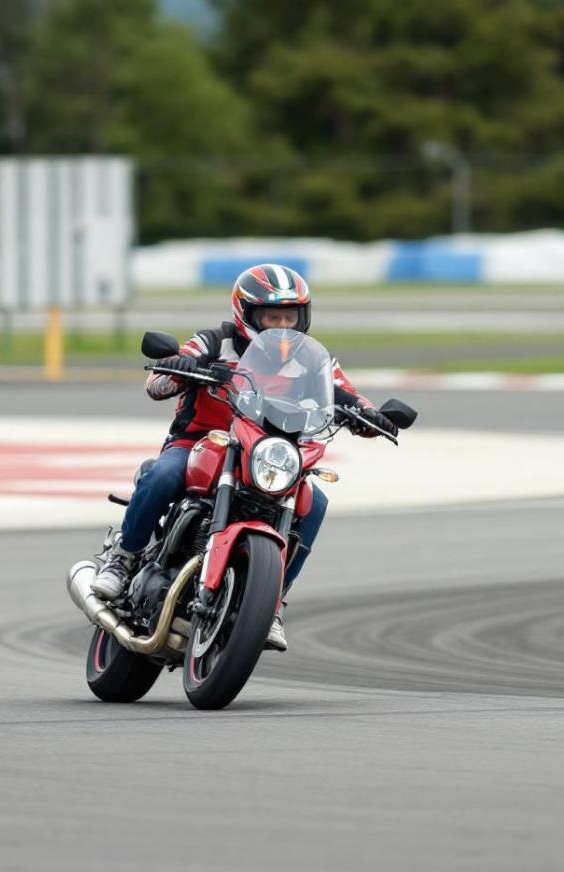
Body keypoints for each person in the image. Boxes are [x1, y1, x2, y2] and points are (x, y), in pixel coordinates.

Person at [91, 263, 398, 651]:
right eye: (272, 317)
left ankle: (272, 603)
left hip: (269, 451)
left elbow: (347, 393)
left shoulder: (314, 360)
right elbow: (157, 384)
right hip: (201, 441)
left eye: (290, 317)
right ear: (247, 313)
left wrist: (372, 416)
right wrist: (179, 368)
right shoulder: (214, 341)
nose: (282, 326)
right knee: (164, 474)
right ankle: (124, 557)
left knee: (314, 502)